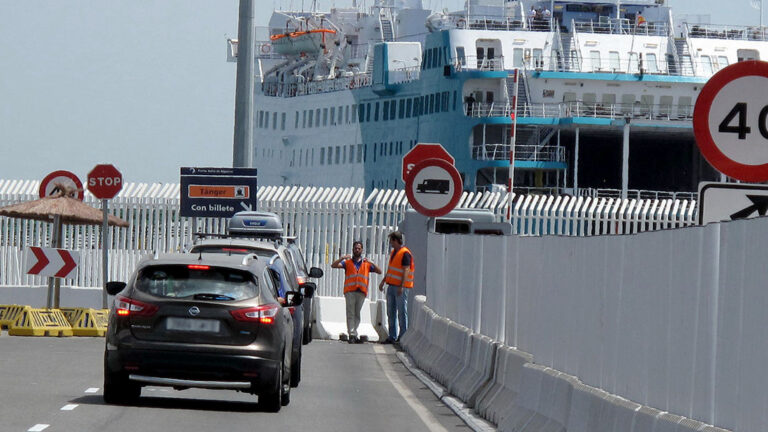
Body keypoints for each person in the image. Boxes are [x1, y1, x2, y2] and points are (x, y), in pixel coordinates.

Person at [332, 241, 382, 344]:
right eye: (355, 248)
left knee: (357, 313)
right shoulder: (348, 262)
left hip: (361, 291)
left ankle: (354, 332)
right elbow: (334, 265)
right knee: (351, 312)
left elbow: (379, 271)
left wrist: (372, 262)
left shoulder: (366, 263)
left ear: (362, 250)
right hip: (350, 291)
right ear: (353, 249)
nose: (357, 250)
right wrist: (342, 258)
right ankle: (352, 334)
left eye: (359, 248)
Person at [378, 231, 414, 344]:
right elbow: (391, 270)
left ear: (396, 240)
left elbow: (406, 270)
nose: (391, 244)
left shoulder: (405, 253)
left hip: (400, 287)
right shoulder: (394, 252)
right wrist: (383, 281)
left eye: (391, 241)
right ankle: (392, 336)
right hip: (391, 285)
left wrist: (401, 286)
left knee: (402, 311)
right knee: (391, 312)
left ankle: (402, 336)